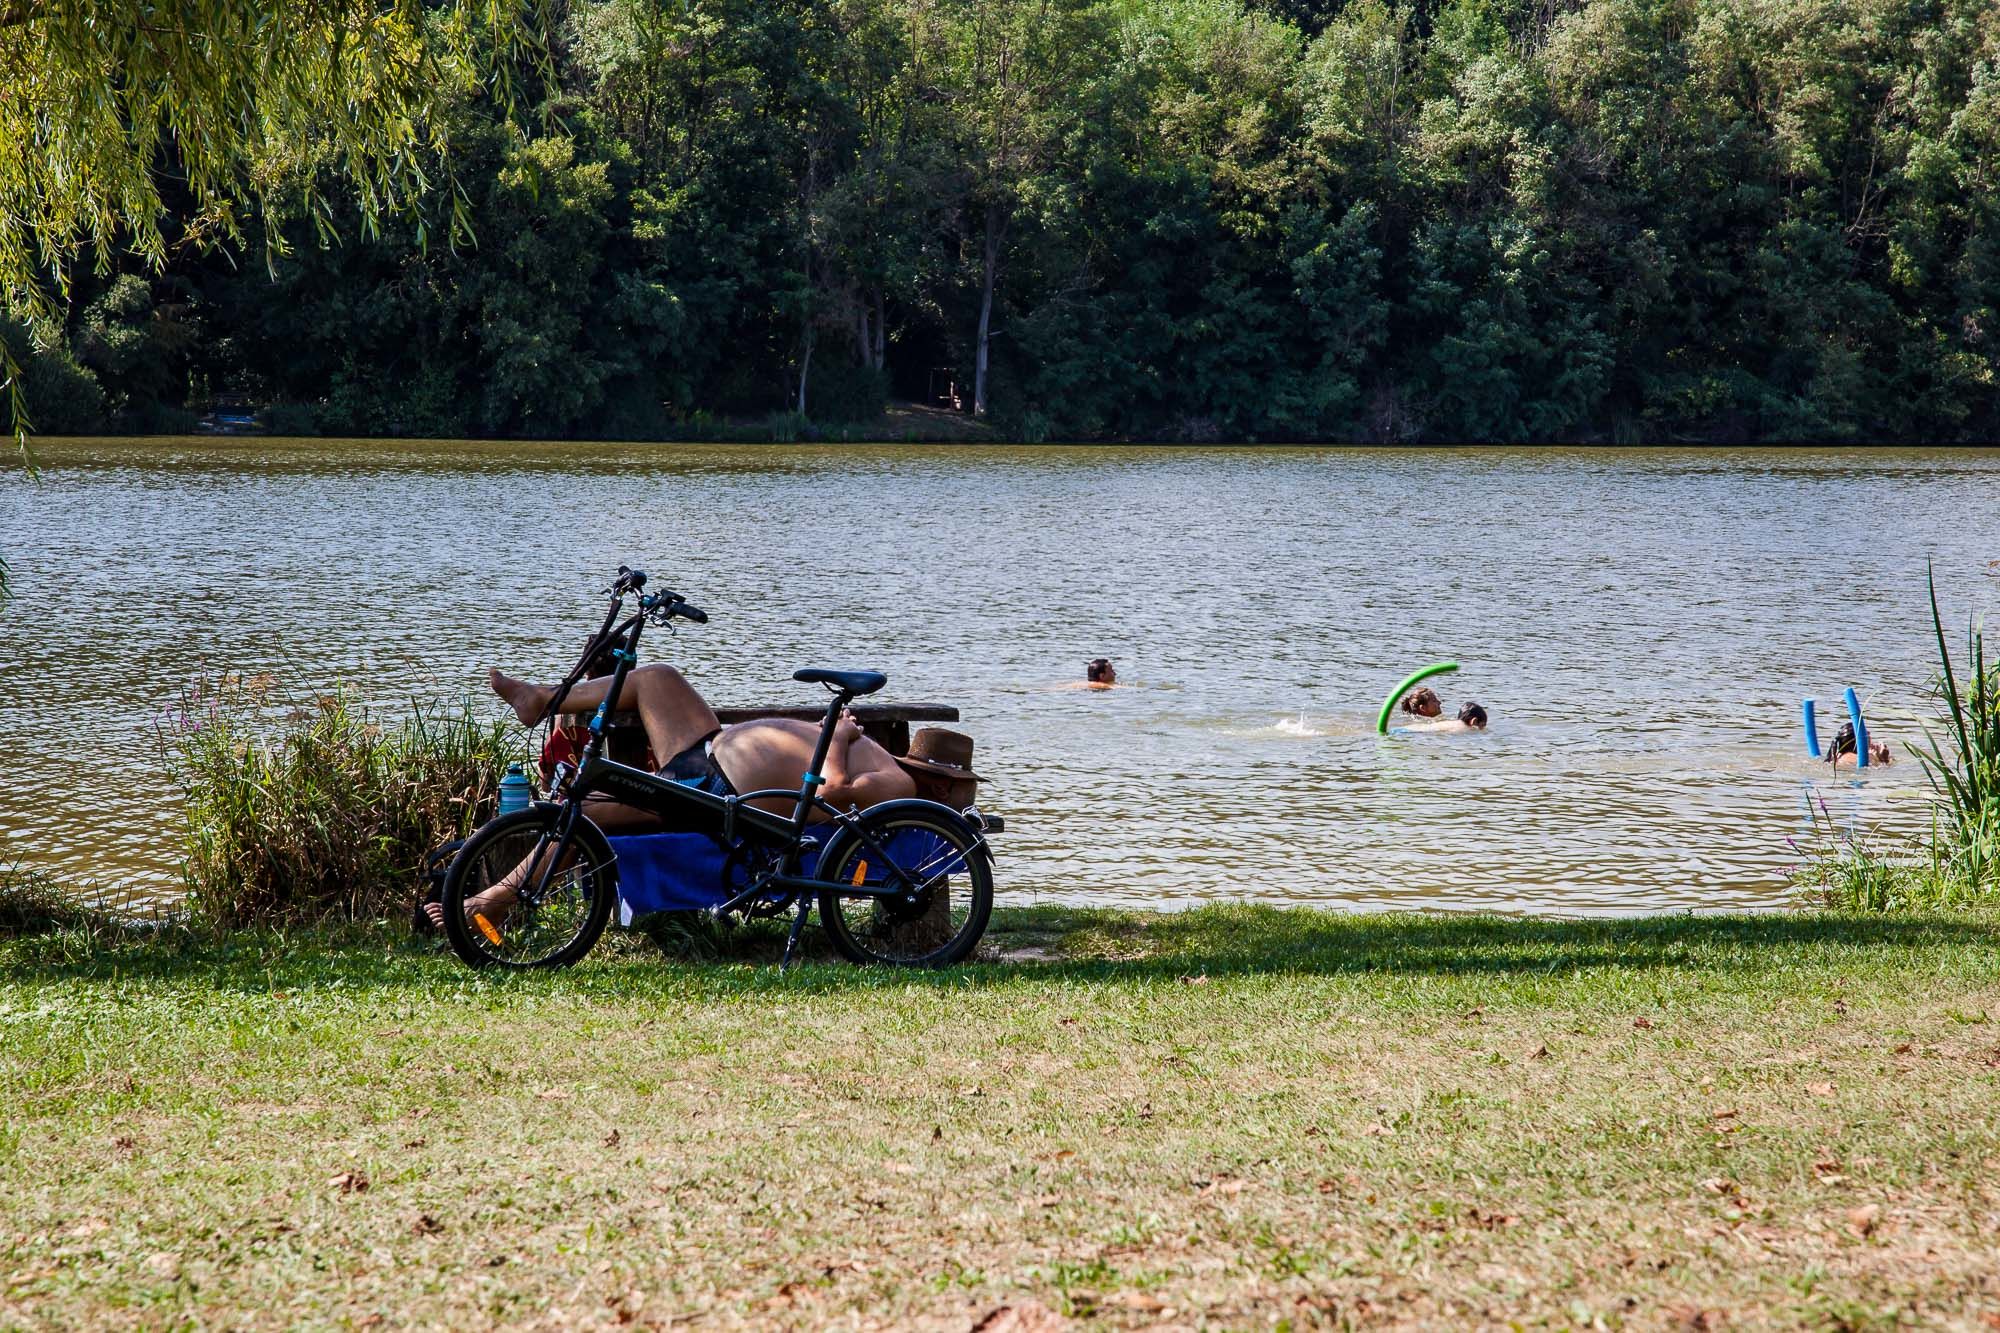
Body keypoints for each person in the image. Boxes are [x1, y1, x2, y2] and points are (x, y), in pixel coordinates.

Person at [428, 662, 917, 932]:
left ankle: (492, 901)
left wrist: (838, 737)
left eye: (938, 773)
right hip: (707, 753)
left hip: (719, 795)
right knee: (657, 678)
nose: (927, 769)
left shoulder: (899, 783)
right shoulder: (879, 754)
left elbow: (831, 794)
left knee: (582, 814)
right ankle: (542, 699)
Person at [1826, 722, 1893, 767]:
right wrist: (1883, 758)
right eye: (1866, 733)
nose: (1869, 733)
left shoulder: (1839, 755)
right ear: (1860, 740)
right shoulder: (1857, 757)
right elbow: (1880, 770)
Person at [1402, 701, 1488, 733]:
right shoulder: (1464, 728)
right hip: (1417, 732)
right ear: (1474, 721)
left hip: (1414, 728)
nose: (1483, 728)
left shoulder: (1454, 723)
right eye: (1482, 725)